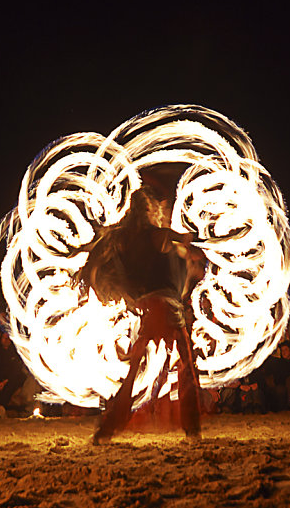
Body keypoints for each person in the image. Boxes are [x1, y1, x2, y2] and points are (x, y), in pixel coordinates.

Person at [75, 184, 205, 443]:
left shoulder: (123, 238)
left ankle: (108, 429)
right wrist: (190, 243)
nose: (159, 211)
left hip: (149, 307)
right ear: (148, 210)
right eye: (155, 208)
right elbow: (186, 244)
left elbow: (101, 249)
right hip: (165, 307)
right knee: (186, 367)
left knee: (136, 369)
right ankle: (192, 430)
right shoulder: (159, 235)